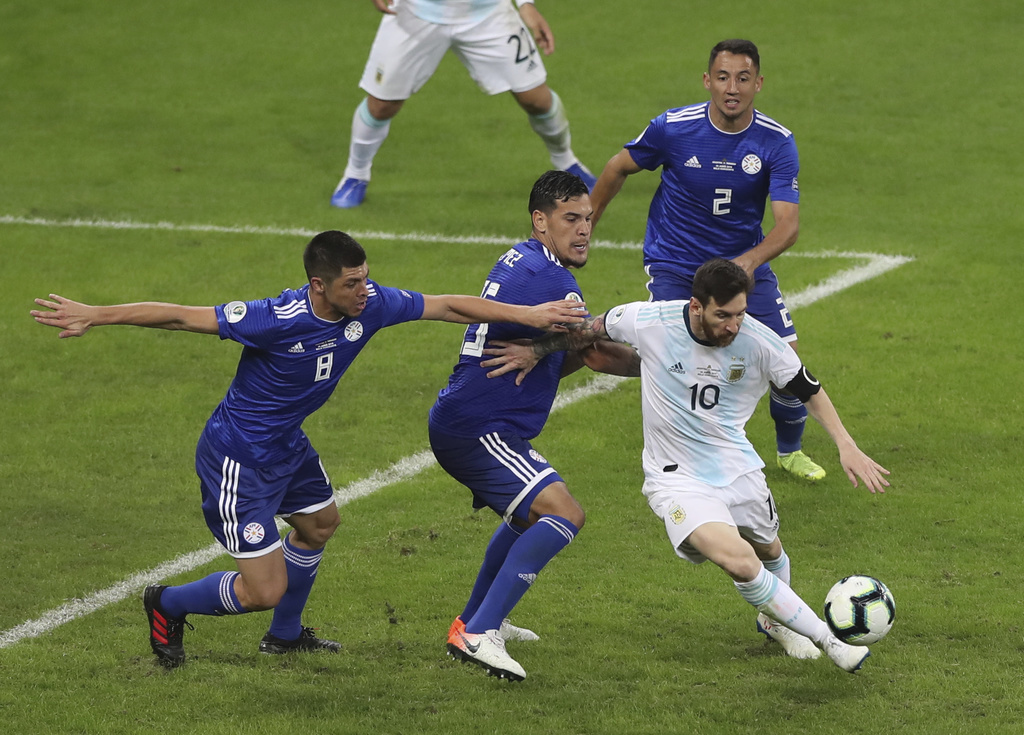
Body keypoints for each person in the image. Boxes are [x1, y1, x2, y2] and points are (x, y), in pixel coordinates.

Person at [30, 230, 585, 670]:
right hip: (239, 459)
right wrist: (96, 314)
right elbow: (179, 316)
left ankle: (285, 638)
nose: (364, 291)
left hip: (288, 447)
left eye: (366, 279)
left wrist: (531, 318)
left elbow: (447, 306)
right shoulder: (275, 318)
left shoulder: (369, 306)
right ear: (319, 285)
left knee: (320, 523)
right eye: (351, 284)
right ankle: (166, 604)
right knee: (262, 589)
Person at [504, 258, 890, 672]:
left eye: (740, 314)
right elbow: (587, 332)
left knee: (769, 551)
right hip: (677, 479)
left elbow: (808, 389)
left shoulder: (761, 342)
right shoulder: (648, 320)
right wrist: (536, 350)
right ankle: (828, 639)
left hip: (739, 468)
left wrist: (846, 445)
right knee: (740, 561)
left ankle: (775, 621)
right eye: (722, 315)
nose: (732, 326)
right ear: (695, 307)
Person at [428, 170, 636, 681]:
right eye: (571, 219)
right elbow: (592, 343)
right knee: (564, 513)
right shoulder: (557, 283)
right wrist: (660, 361)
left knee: (526, 516)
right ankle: (480, 633)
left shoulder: (522, 258)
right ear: (541, 221)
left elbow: (572, 351)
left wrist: (541, 351)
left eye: (587, 218)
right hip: (479, 426)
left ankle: (476, 618)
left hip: (472, 417)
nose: (584, 229)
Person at [589, 38, 826, 483]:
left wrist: (749, 262)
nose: (731, 88)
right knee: (685, 358)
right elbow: (617, 167)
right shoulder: (673, 128)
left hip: (742, 269)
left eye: (742, 78)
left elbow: (788, 226)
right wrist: (587, 225)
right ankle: (686, 457)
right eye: (722, 77)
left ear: (759, 83)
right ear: (707, 81)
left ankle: (790, 451)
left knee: (788, 365)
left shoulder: (776, 142)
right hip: (677, 264)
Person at [330, 0, 596, 209]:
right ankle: (356, 174)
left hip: (488, 14)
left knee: (535, 99)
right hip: (415, 13)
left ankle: (566, 160)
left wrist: (525, 3)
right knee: (381, 105)